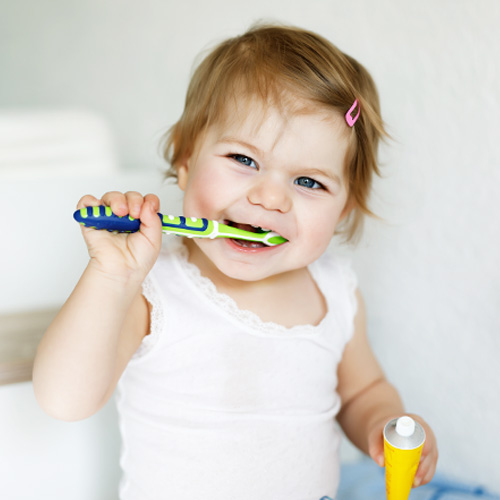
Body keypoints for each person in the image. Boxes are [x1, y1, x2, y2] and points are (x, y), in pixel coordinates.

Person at [33, 23, 438, 499]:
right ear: (185, 161)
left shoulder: (335, 293)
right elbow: (64, 399)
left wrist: (384, 425)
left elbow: (362, 391)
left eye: (310, 183)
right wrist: (111, 276)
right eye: (244, 159)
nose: (270, 198)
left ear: (343, 209)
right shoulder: (152, 289)